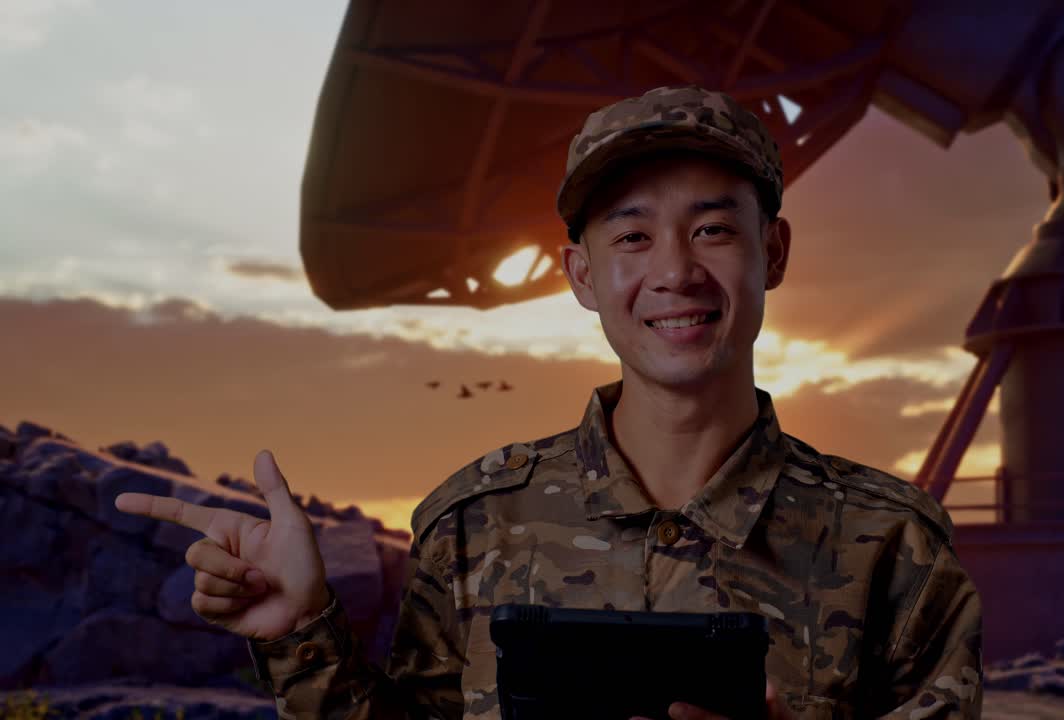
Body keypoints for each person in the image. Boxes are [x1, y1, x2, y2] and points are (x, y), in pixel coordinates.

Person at [115, 85, 983, 719]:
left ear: (776, 252)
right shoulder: (472, 525)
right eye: (632, 235)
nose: (675, 271)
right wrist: (300, 630)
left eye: (713, 229)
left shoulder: (891, 542)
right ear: (579, 275)